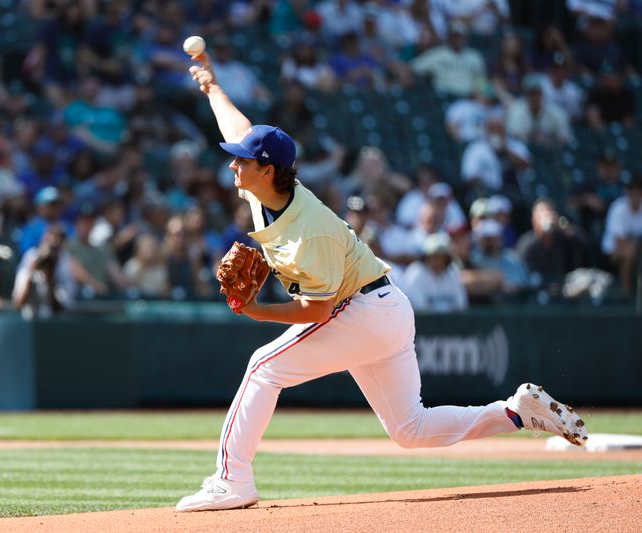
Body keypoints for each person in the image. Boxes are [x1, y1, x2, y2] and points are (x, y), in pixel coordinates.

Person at [176, 48, 588, 513]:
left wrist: (256, 311)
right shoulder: (265, 188)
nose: (232, 164)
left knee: (262, 367)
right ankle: (515, 412)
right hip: (386, 308)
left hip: (360, 311)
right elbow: (238, 127)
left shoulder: (307, 232)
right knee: (409, 429)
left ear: (266, 170)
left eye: (241, 162)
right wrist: (212, 87)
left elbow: (317, 311)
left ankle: (233, 480)